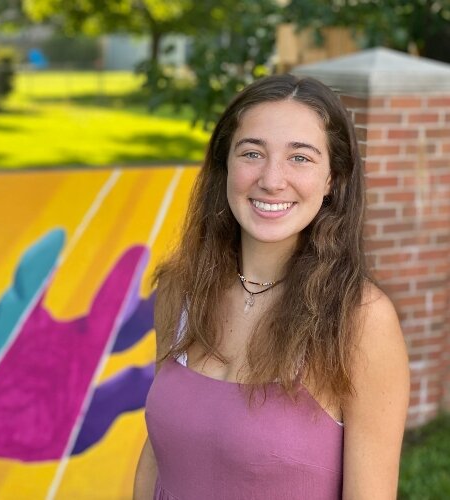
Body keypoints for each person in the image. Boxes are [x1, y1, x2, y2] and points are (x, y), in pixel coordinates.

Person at [133, 74, 410, 500]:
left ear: (332, 179)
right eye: (252, 153)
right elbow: (158, 452)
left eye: (300, 158)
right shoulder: (180, 289)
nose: (271, 179)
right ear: (225, 165)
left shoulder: (359, 320)